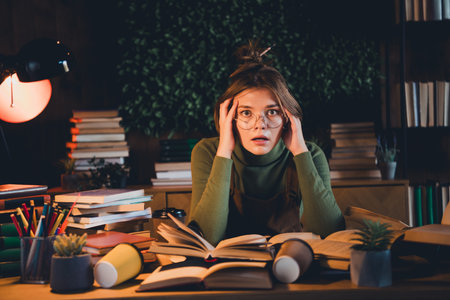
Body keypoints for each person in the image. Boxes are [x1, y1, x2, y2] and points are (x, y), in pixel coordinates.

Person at [188, 41, 344, 245]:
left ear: (288, 117)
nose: (260, 125)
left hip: (293, 267)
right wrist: (225, 150)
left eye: (272, 112)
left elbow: (330, 234)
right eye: (246, 113)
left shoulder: (310, 155)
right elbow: (205, 238)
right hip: (229, 270)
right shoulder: (208, 152)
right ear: (230, 117)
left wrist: (300, 152)